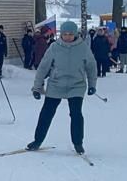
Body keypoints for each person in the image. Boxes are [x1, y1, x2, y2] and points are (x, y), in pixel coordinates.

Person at [27, 20, 96, 155]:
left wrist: (92, 85)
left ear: (75, 34)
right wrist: (37, 87)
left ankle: (78, 143)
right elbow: (43, 67)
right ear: (61, 34)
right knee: (46, 113)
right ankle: (37, 140)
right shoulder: (54, 47)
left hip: (76, 85)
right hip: (56, 84)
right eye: (65, 34)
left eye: (70, 34)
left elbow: (91, 67)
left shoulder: (83, 48)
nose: (68, 37)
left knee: (76, 114)